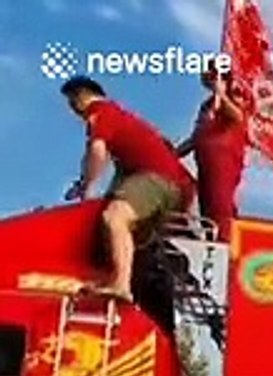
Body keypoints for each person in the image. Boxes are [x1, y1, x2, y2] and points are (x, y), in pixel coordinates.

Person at [62, 76, 195, 303]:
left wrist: (87, 187)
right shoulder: (122, 120)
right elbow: (116, 174)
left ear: (81, 96)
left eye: (72, 103)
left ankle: (121, 285)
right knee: (126, 232)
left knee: (115, 218)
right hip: (176, 186)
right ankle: (129, 283)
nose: (74, 111)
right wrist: (84, 183)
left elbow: (97, 151)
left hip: (160, 180)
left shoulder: (100, 112)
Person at [176, 61, 249, 243]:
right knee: (206, 207)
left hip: (223, 160)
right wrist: (173, 153)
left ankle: (225, 242)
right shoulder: (206, 106)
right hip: (205, 162)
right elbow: (196, 137)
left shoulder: (234, 96)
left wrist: (222, 95)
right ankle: (211, 241)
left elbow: (238, 117)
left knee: (220, 205)